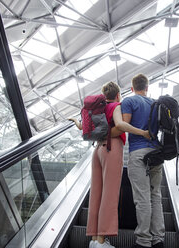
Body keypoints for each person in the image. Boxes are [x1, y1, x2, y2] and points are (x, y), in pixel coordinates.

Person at [70, 81, 150, 248]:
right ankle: (101, 241)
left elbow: (83, 128)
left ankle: (93, 239)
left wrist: (75, 122)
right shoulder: (115, 106)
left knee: (96, 194)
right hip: (111, 149)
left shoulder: (96, 109)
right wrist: (142, 132)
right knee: (109, 195)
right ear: (118, 95)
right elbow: (120, 125)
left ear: (103, 95)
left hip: (97, 150)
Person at [121, 74, 165, 248]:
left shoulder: (129, 101)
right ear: (147, 87)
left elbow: (123, 125)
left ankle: (144, 241)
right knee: (156, 196)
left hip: (138, 153)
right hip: (156, 154)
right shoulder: (156, 104)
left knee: (142, 198)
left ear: (132, 88)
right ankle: (158, 239)